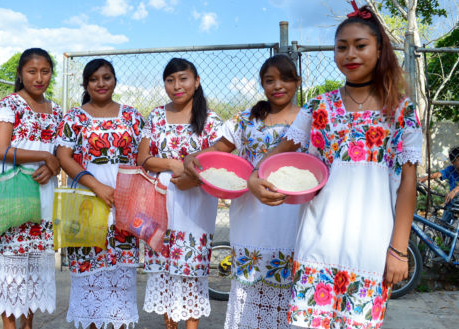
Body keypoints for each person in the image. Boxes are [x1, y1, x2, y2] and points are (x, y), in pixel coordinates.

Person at [248, 3, 422, 328]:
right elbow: (279, 152)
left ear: (380, 49)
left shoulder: (400, 110)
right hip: (319, 239)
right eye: (341, 47)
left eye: (360, 45)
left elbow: (408, 184)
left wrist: (399, 249)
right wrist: (255, 177)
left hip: (371, 244)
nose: (349, 54)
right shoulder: (319, 106)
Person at [184, 54, 304, 329]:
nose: (278, 86)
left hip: (293, 214)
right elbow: (219, 150)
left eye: (285, 79)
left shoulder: (310, 120)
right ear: (262, 84)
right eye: (270, 80)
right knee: (252, 287)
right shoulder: (246, 119)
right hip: (251, 215)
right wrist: (193, 157)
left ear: (297, 82)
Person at [56, 58, 144, 329]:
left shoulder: (132, 116)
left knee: (120, 288)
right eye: (94, 79)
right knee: (89, 283)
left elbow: (143, 158)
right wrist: (97, 187)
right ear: (86, 84)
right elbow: (63, 156)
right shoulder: (74, 117)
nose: (101, 83)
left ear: (115, 80)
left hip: (124, 210)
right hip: (86, 209)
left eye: (106, 77)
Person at [138, 58, 222, 329]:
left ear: (196, 82)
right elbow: (144, 158)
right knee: (164, 270)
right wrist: (174, 164)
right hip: (161, 201)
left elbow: (219, 162)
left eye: (183, 79)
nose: (177, 86)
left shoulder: (210, 121)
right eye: (170, 80)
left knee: (191, 271)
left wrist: (191, 177)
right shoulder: (155, 115)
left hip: (196, 203)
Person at [0, 48, 62, 329]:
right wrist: (44, 157)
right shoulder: (9, 105)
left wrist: (53, 165)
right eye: (32, 71)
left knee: (33, 268)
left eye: (45, 71)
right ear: (20, 74)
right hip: (14, 196)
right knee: (11, 269)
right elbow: (0, 150)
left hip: (43, 198)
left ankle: (28, 325)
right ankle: (10, 326)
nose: (39, 77)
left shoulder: (56, 110)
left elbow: (57, 152)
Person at [418, 146, 459, 224]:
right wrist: (424, 178)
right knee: (443, 225)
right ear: (453, 162)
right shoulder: (451, 169)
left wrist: (455, 190)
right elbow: (438, 174)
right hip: (451, 204)